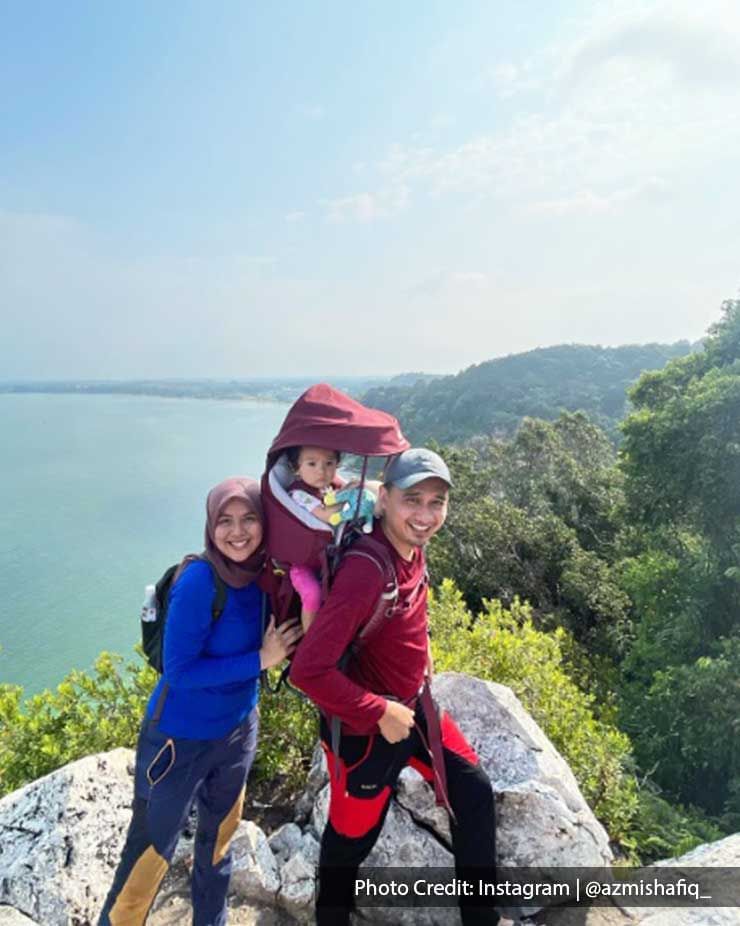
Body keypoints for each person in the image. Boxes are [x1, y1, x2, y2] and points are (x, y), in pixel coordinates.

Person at [290, 448, 498, 926]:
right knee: (350, 843)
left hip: (416, 709)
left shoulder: (413, 548)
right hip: (364, 733)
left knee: (473, 795)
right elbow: (308, 670)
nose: (425, 516)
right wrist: (379, 712)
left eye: (437, 502)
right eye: (413, 500)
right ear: (382, 500)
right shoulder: (366, 570)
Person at [98, 477, 302, 926]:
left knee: (220, 843)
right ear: (210, 526)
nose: (238, 531)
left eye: (249, 518)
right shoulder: (199, 581)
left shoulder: (268, 579)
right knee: (149, 857)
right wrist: (261, 660)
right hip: (177, 741)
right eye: (225, 521)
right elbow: (181, 672)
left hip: (238, 731)